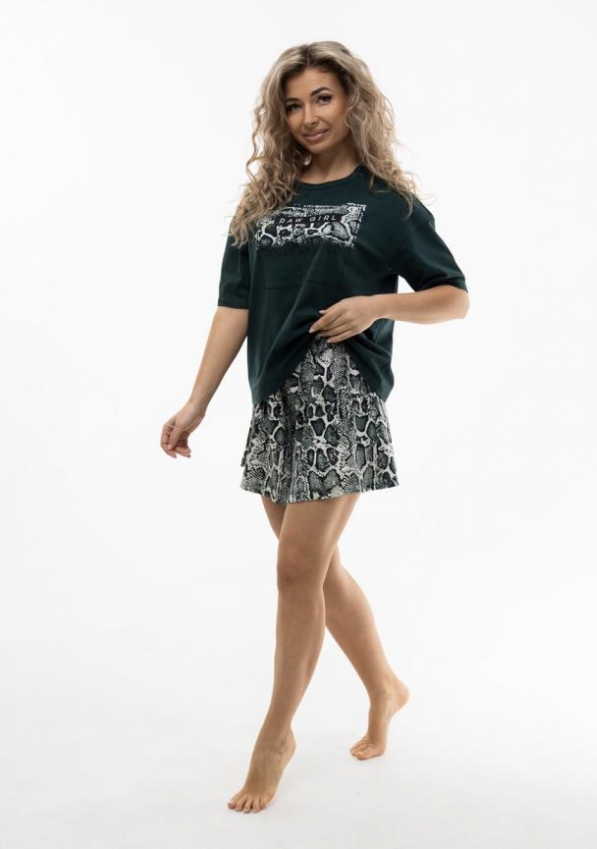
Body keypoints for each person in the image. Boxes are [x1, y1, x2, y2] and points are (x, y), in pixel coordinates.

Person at [160, 41, 469, 814]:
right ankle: (386, 686)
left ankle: (276, 735)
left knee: (295, 570)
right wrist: (197, 401)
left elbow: (453, 295)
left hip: (343, 395)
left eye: (322, 98)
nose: (308, 116)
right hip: (275, 399)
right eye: (294, 104)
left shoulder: (388, 203)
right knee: (319, 571)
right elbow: (234, 307)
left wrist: (376, 305)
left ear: (353, 100)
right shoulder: (261, 204)